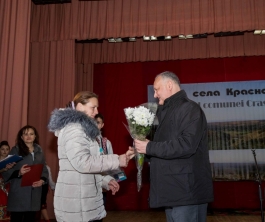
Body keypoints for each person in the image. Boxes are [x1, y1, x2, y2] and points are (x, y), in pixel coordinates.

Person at [134, 71, 214, 222]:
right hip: (175, 191)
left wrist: (149, 147)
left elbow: (186, 145)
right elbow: (166, 147)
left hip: (186, 192)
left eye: (157, 89)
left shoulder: (189, 109)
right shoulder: (169, 111)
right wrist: (141, 152)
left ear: (169, 85)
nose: (155, 95)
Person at [48, 91, 134, 222]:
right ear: (79, 106)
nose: (96, 111)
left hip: (85, 203)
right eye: (93, 107)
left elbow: (85, 172)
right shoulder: (74, 129)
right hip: (77, 207)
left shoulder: (82, 129)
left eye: (97, 107)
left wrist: (105, 181)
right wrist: (117, 159)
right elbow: (83, 163)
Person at [1, 125, 49, 222]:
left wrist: (42, 180)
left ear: (35, 136)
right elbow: (6, 169)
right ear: (21, 137)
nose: (28, 136)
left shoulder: (39, 151)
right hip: (19, 192)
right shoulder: (16, 150)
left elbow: (44, 169)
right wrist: (19, 172)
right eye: (25, 134)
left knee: (30, 218)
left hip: (34, 191)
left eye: (31, 134)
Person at [0, 140, 14, 220]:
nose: (5, 151)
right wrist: (3, 169)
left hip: (8, 187)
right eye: (2, 149)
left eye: (7, 149)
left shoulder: (11, 161)